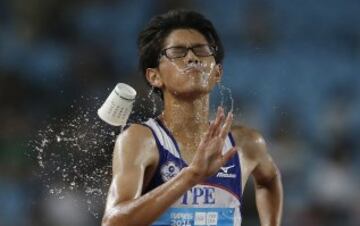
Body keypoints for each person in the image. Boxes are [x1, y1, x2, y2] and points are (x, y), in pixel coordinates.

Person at [102, 9, 283, 226]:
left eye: (201, 50)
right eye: (177, 52)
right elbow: (113, 222)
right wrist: (191, 176)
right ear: (155, 76)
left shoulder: (245, 143)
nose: (192, 58)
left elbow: (269, 180)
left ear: (217, 73)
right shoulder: (140, 140)